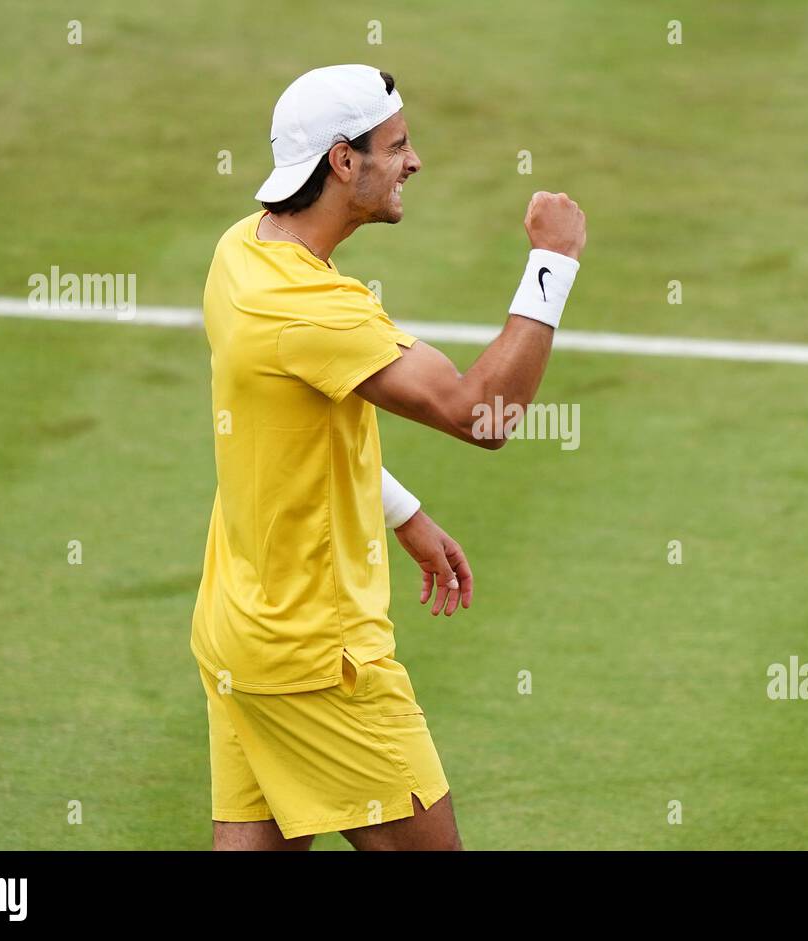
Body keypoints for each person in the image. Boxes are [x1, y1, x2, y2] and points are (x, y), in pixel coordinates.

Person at [192, 64, 586, 851]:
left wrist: (400, 510)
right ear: (343, 162)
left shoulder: (241, 252)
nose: (415, 161)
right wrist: (555, 261)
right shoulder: (312, 308)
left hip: (240, 632)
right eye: (397, 144)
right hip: (320, 660)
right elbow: (485, 413)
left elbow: (294, 433)